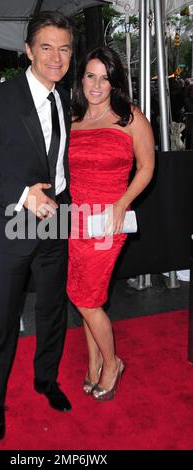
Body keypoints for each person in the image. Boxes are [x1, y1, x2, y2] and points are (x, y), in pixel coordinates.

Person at [0, 10, 73, 441]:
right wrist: (25, 195)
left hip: (57, 217)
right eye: (46, 47)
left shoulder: (65, 97)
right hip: (13, 220)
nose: (55, 57)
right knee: (3, 318)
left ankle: (46, 379)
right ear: (28, 51)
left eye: (63, 48)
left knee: (52, 310)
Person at [67, 46, 155, 401]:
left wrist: (123, 202)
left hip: (108, 221)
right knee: (87, 295)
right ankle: (93, 364)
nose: (97, 84)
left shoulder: (129, 116)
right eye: (91, 75)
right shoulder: (73, 120)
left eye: (106, 77)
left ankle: (112, 362)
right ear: (81, 80)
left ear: (115, 82)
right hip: (75, 222)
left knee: (85, 298)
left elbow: (147, 167)